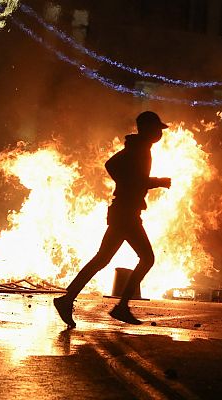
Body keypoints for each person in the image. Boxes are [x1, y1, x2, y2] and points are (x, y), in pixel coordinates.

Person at [54, 111, 172, 327]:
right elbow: (120, 170)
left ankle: (67, 299)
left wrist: (131, 183)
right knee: (146, 258)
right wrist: (156, 182)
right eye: (157, 129)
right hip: (125, 213)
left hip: (125, 212)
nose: (159, 133)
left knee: (102, 259)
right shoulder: (138, 148)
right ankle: (121, 307)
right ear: (146, 128)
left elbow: (120, 170)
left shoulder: (140, 148)